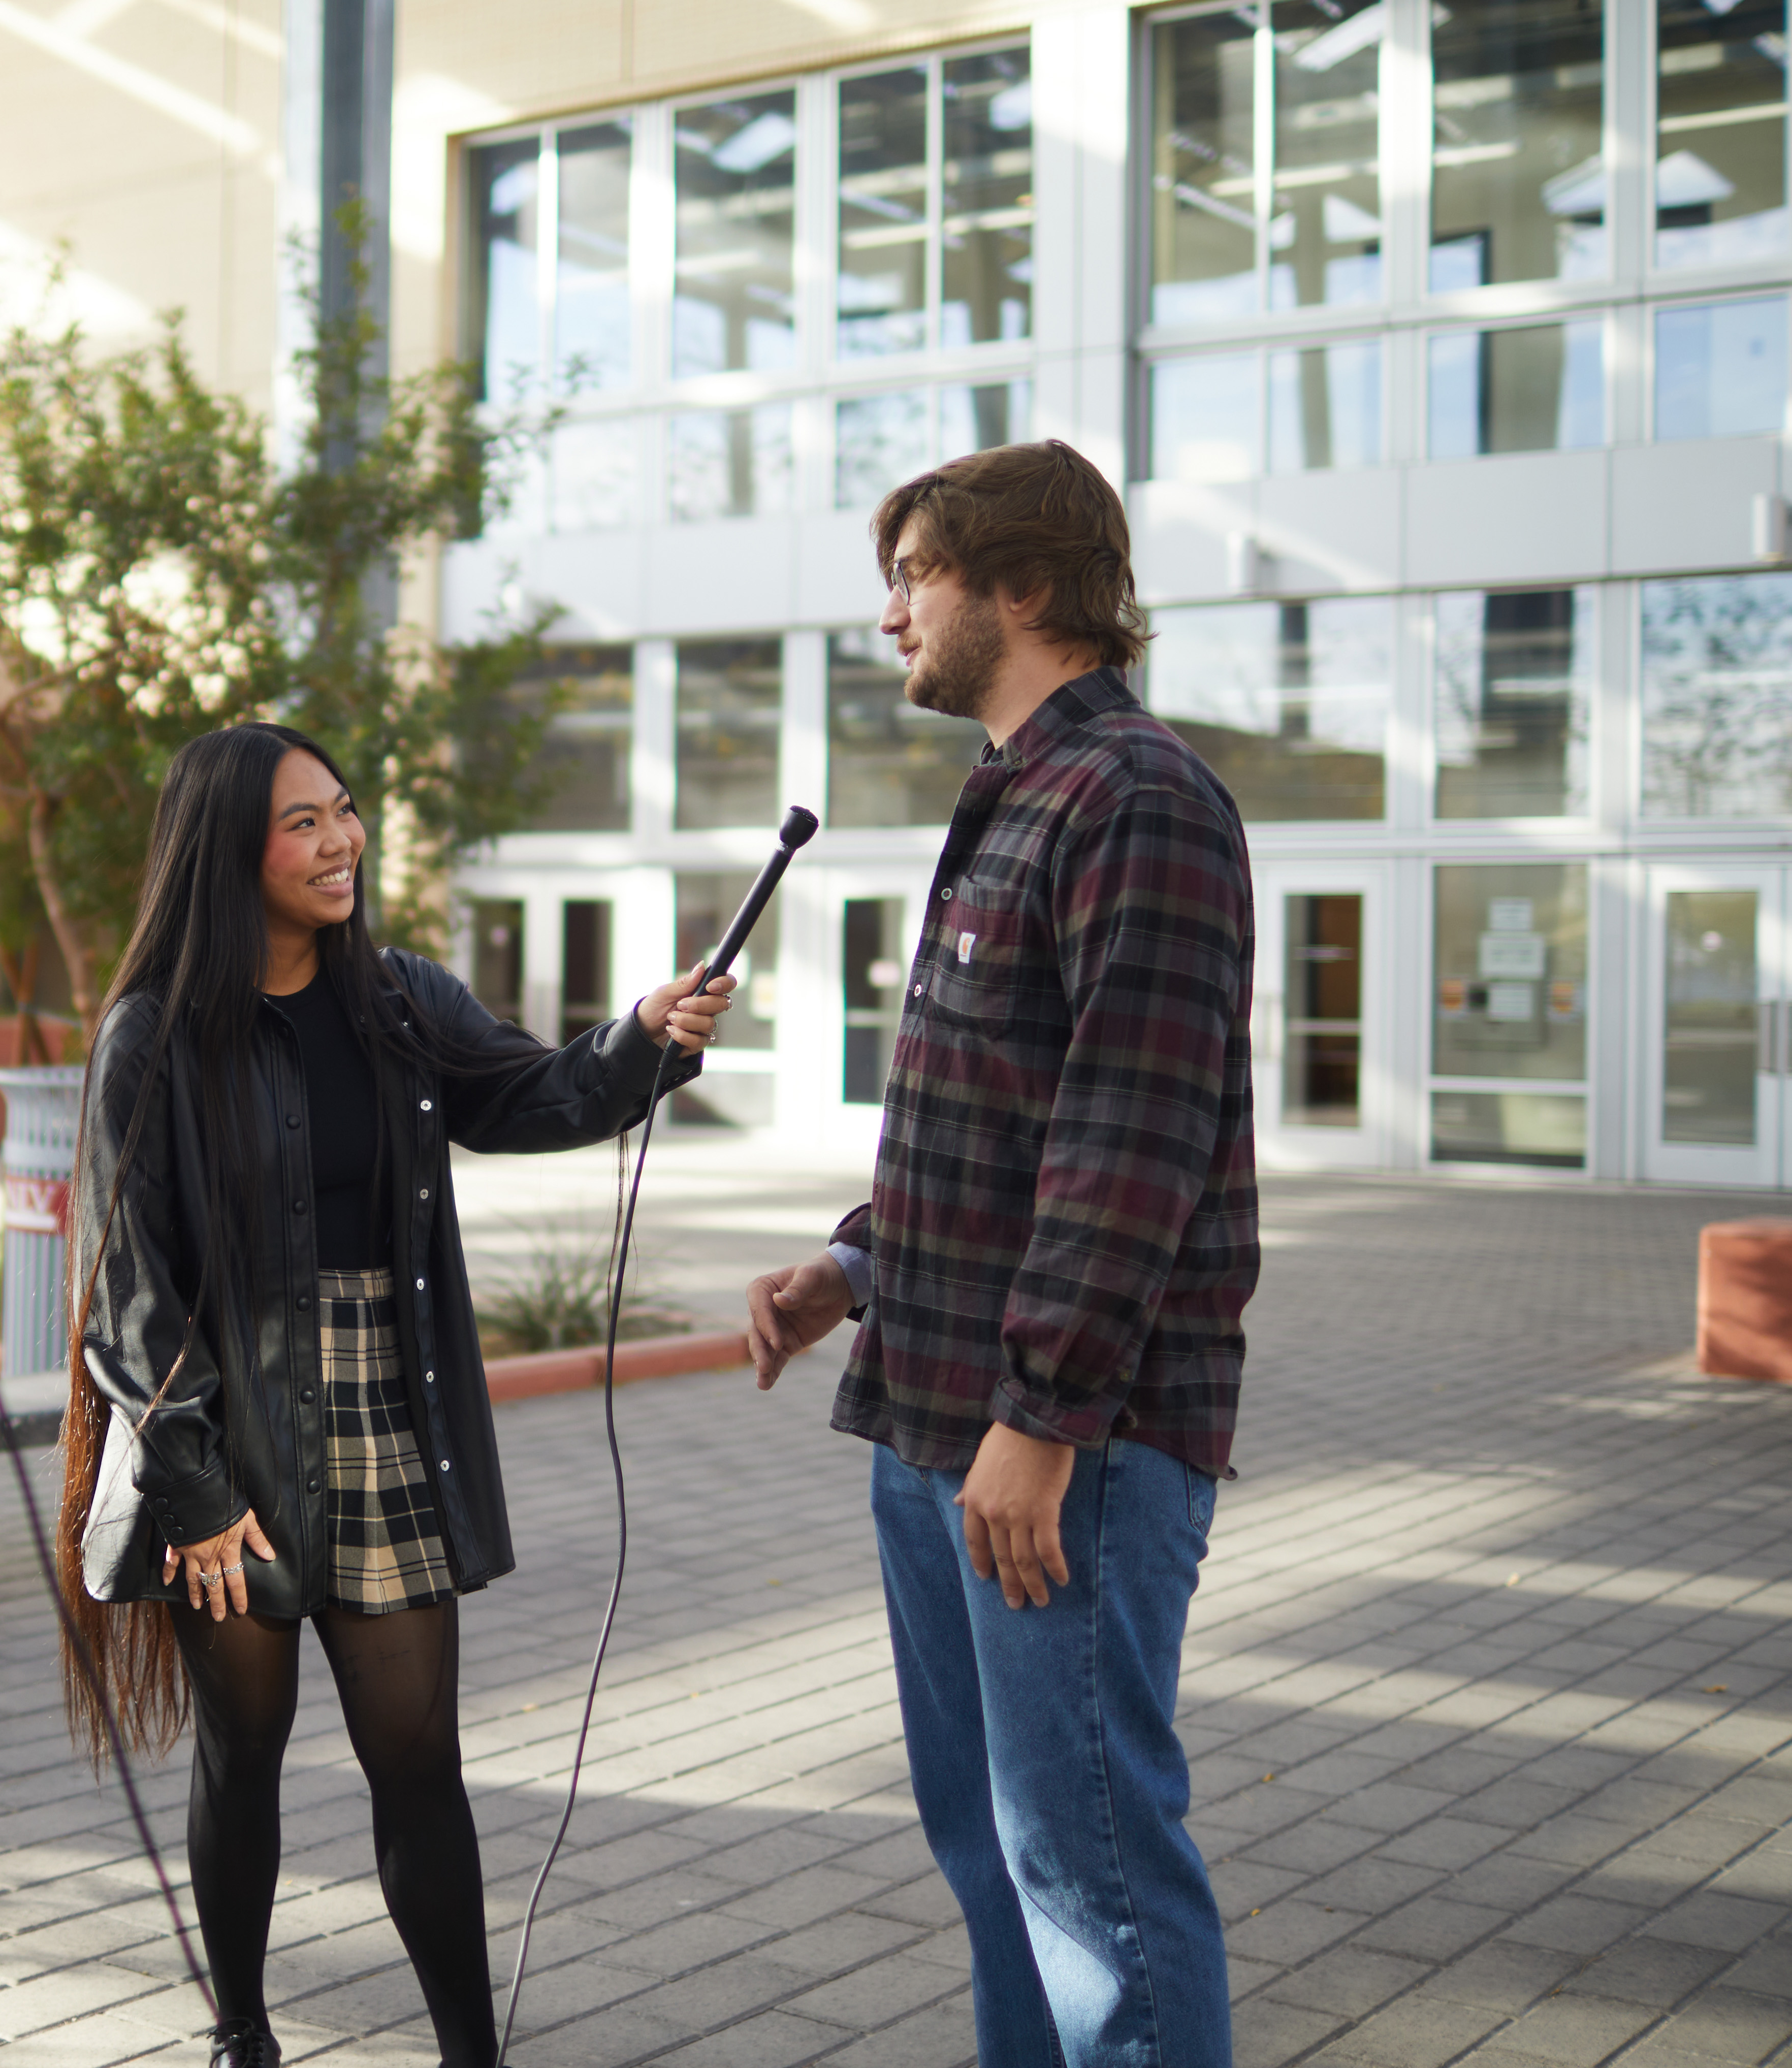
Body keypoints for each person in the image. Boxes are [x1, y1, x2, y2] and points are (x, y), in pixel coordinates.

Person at [55, 722, 734, 2068]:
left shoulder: (402, 998)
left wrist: (643, 1040)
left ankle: (470, 2055)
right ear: (227, 849)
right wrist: (191, 1493)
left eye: (346, 813)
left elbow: (533, 1095)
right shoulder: (152, 1037)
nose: (341, 840)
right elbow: (132, 1285)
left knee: (418, 1762)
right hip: (224, 1443)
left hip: (382, 1414)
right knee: (242, 1755)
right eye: (304, 821)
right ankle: (242, 2035)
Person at [741, 441, 1256, 2068]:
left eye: (916, 577)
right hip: (940, 1425)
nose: (889, 614)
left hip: (1056, 1451)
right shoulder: (1014, 791)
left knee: (1090, 1874)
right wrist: (850, 1267)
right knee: (995, 1862)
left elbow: (1129, 1144)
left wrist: (1040, 1422)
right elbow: (994, 1119)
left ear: (1025, 589)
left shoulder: (1140, 800)